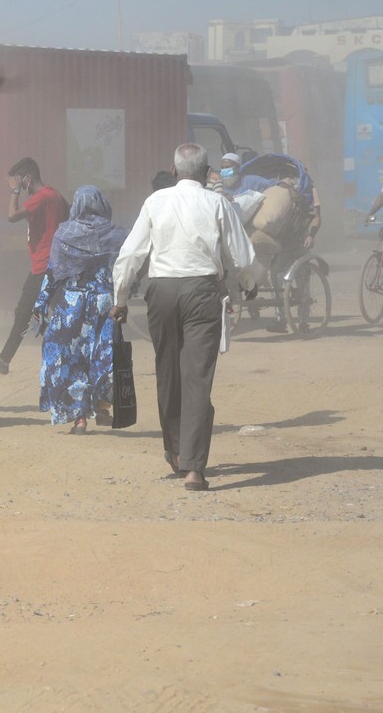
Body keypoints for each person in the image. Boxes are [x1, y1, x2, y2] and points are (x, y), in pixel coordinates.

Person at [109, 144, 254, 492]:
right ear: (207, 173)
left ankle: (175, 451)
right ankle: (193, 469)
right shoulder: (217, 202)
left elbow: (131, 254)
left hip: (160, 292)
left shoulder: (155, 202)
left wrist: (120, 297)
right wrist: (248, 285)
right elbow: (243, 257)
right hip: (201, 292)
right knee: (197, 377)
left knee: (168, 373)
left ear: (173, 172)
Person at [33, 186, 127, 434]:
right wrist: (125, 298)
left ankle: (80, 419)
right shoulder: (116, 234)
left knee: (70, 358)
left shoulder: (64, 234)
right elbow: (126, 270)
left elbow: (52, 274)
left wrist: (40, 304)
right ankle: (103, 406)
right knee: (101, 355)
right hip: (105, 304)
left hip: (71, 306)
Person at [0, 157, 67, 375]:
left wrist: (15, 192)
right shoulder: (55, 195)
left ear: (27, 178)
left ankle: (5, 359)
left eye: (17, 182)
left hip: (43, 268)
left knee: (25, 313)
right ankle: (61, 356)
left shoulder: (42, 196)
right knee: (47, 314)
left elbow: (11, 215)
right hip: (51, 266)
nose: (16, 187)